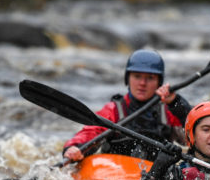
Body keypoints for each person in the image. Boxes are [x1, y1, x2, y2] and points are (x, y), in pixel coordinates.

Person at [63, 49, 191, 162]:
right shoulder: (114, 110)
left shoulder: (168, 111)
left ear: (159, 82)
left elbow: (194, 134)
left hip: (154, 175)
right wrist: (75, 147)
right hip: (117, 173)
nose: (142, 83)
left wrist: (176, 102)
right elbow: (91, 132)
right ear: (128, 79)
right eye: (137, 76)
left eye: (150, 78)